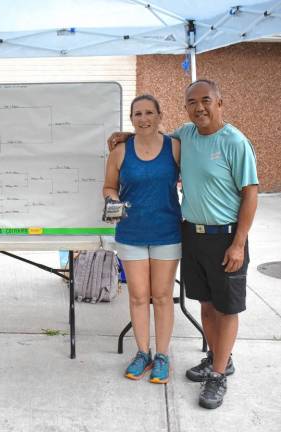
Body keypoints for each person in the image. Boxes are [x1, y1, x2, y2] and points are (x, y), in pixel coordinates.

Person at [108, 79, 258, 409]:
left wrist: (239, 243)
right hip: (191, 234)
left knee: (227, 307)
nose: (199, 107)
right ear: (185, 108)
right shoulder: (185, 136)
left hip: (227, 237)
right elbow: (151, 138)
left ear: (220, 103)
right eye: (192, 102)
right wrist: (128, 136)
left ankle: (219, 374)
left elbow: (251, 193)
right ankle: (218, 359)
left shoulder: (235, 141)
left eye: (206, 100)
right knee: (205, 303)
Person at [103, 94, 181, 384]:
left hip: (167, 233)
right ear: (131, 118)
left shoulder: (175, 147)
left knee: (161, 296)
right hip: (131, 234)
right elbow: (109, 186)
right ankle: (142, 353)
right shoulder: (121, 151)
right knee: (137, 296)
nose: (144, 118)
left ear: (160, 116)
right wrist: (113, 202)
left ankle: (162, 355)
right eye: (137, 114)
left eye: (149, 112)